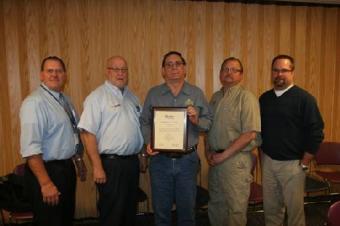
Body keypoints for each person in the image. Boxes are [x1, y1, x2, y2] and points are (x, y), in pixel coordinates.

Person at [140, 51, 212, 226]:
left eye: (177, 64)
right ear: (163, 70)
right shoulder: (154, 93)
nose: (173, 68)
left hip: (187, 161)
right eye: (169, 64)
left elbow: (208, 123)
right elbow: (144, 122)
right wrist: (149, 141)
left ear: (184, 68)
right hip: (160, 161)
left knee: (187, 212)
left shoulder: (196, 93)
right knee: (161, 212)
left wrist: (196, 120)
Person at [19, 56, 87, 226]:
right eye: (50, 71)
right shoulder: (34, 103)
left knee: (64, 219)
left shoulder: (64, 100)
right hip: (46, 171)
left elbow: (72, 132)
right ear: (42, 75)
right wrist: (46, 183)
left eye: (59, 71)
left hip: (65, 169)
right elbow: (31, 148)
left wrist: (78, 160)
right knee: (50, 220)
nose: (54, 74)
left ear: (65, 75)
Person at [78, 56, 144, 226]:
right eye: (116, 69)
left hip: (131, 164)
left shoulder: (132, 97)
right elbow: (87, 133)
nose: (120, 73)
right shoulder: (97, 97)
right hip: (110, 166)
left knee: (129, 212)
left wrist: (142, 155)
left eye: (124, 70)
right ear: (108, 71)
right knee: (112, 214)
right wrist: (97, 167)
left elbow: (139, 130)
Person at [260, 54, 324, 226]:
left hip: (293, 165)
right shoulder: (264, 99)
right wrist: (263, 159)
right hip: (269, 163)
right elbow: (260, 132)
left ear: (292, 72)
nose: (279, 74)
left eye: (284, 70)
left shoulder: (305, 99)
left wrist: (304, 163)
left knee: (295, 214)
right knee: (271, 212)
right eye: (275, 70)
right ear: (271, 73)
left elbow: (316, 133)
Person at [205, 57, 261, 226]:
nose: (229, 73)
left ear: (241, 75)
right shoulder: (215, 97)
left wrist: (224, 156)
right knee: (216, 205)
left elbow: (250, 134)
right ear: (220, 73)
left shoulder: (247, 98)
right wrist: (208, 152)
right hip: (216, 160)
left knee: (235, 208)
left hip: (236, 161)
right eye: (225, 69)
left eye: (234, 70)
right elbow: (209, 128)